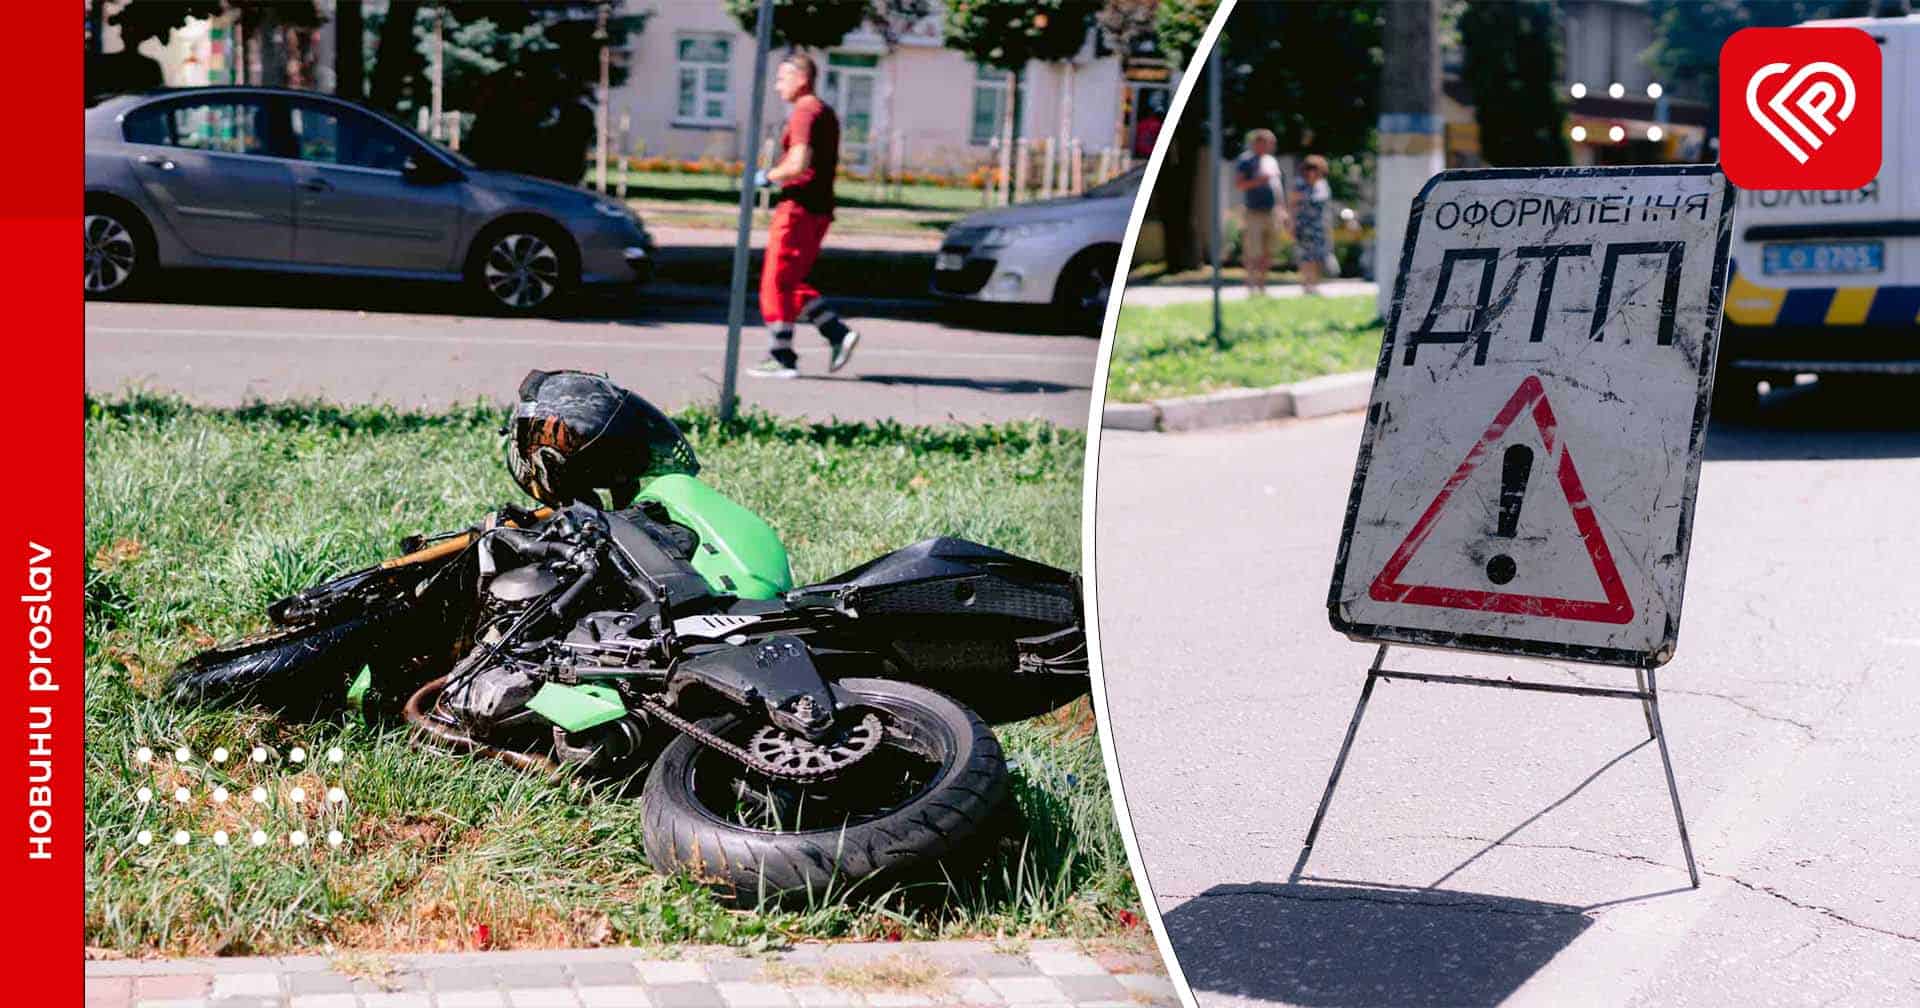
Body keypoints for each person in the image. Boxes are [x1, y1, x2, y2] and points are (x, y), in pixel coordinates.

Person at [748, 53, 860, 379]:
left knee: (776, 282)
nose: (776, 85)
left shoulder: (805, 111)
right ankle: (836, 333)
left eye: (782, 78)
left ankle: (782, 356)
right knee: (792, 281)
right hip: (818, 209)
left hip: (798, 208)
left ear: (801, 78)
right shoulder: (823, 111)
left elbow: (798, 162)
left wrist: (767, 176)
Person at [1234, 129, 1289, 296]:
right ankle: (1250, 285)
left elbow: (1277, 186)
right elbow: (1240, 185)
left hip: (1272, 211)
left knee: (1268, 251)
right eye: (1268, 142)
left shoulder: (1271, 161)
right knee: (1252, 250)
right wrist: (1259, 181)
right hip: (1253, 212)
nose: (1271, 146)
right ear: (1257, 142)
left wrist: (1283, 208)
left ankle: (1262, 286)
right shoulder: (1245, 160)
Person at [1290, 154, 1333, 296]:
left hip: (1320, 225)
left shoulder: (1323, 184)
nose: (1312, 172)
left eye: (1315, 169)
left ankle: (1314, 284)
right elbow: (1293, 205)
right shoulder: (1300, 184)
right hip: (1304, 225)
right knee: (1306, 256)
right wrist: (1292, 224)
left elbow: (1326, 206)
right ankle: (1307, 285)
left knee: (1319, 256)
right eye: (1310, 168)